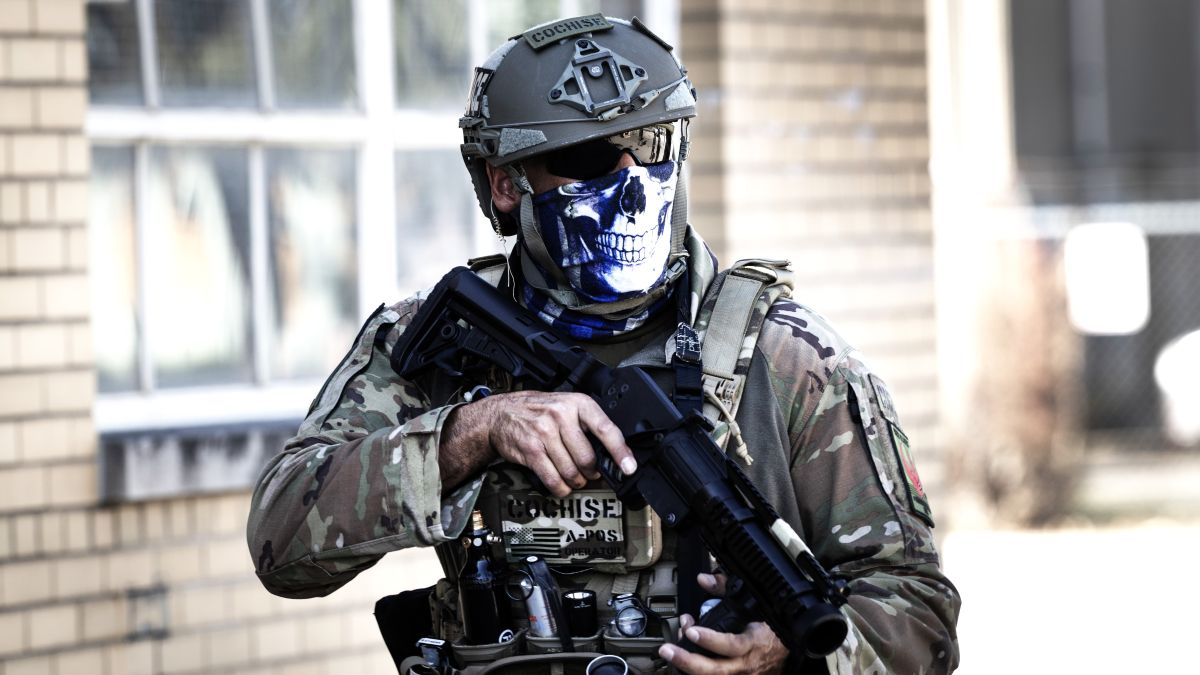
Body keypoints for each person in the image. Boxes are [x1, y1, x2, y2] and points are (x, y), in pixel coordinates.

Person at [247, 14, 960, 675]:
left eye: (653, 146)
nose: (629, 181)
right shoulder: (436, 339)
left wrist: (789, 654)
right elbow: (280, 543)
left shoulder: (787, 356)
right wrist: (473, 431)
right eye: (587, 157)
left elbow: (921, 612)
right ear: (504, 182)